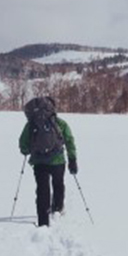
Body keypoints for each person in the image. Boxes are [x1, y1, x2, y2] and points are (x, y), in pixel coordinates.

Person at [19, 96, 77, 227]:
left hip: (39, 162)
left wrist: (27, 150)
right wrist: (72, 159)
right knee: (58, 184)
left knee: (42, 190)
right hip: (58, 161)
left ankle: (43, 221)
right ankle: (57, 209)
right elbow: (69, 140)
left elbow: (23, 144)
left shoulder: (31, 124)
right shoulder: (60, 123)